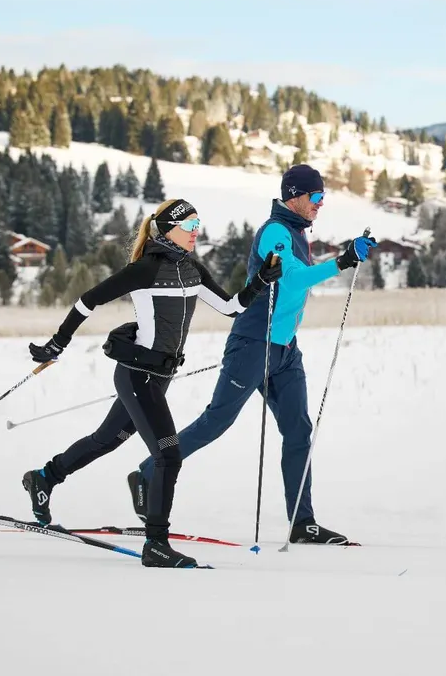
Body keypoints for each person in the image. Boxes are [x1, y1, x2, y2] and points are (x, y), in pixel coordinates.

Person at [21, 198, 282, 568]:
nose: (196, 233)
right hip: (137, 375)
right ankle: (156, 544)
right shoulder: (145, 270)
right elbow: (87, 301)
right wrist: (57, 343)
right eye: (189, 227)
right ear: (167, 231)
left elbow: (231, 308)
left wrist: (259, 281)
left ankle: (44, 477)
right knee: (169, 454)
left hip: (160, 377)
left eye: (198, 225)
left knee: (107, 439)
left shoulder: (192, 269)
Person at [129, 164, 378, 545]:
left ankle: (302, 521)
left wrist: (345, 257)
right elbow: (291, 278)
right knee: (215, 422)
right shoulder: (275, 232)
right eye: (315, 197)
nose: (320, 203)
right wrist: (343, 260)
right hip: (251, 344)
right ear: (293, 195)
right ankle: (148, 471)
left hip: (285, 352)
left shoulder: (296, 233)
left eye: (322, 197)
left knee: (298, 430)